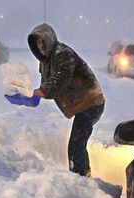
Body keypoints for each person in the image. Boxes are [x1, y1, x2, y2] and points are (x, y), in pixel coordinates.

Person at [28, 23, 105, 178]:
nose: (41, 45)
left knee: (76, 144)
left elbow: (60, 79)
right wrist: (32, 95)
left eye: (44, 41)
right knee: (78, 144)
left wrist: (40, 92)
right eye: (38, 42)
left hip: (92, 102)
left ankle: (79, 179)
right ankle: (85, 176)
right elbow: (51, 87)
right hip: (83, 104)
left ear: (50, 40)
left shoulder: (63, 53)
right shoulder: (46, 62)